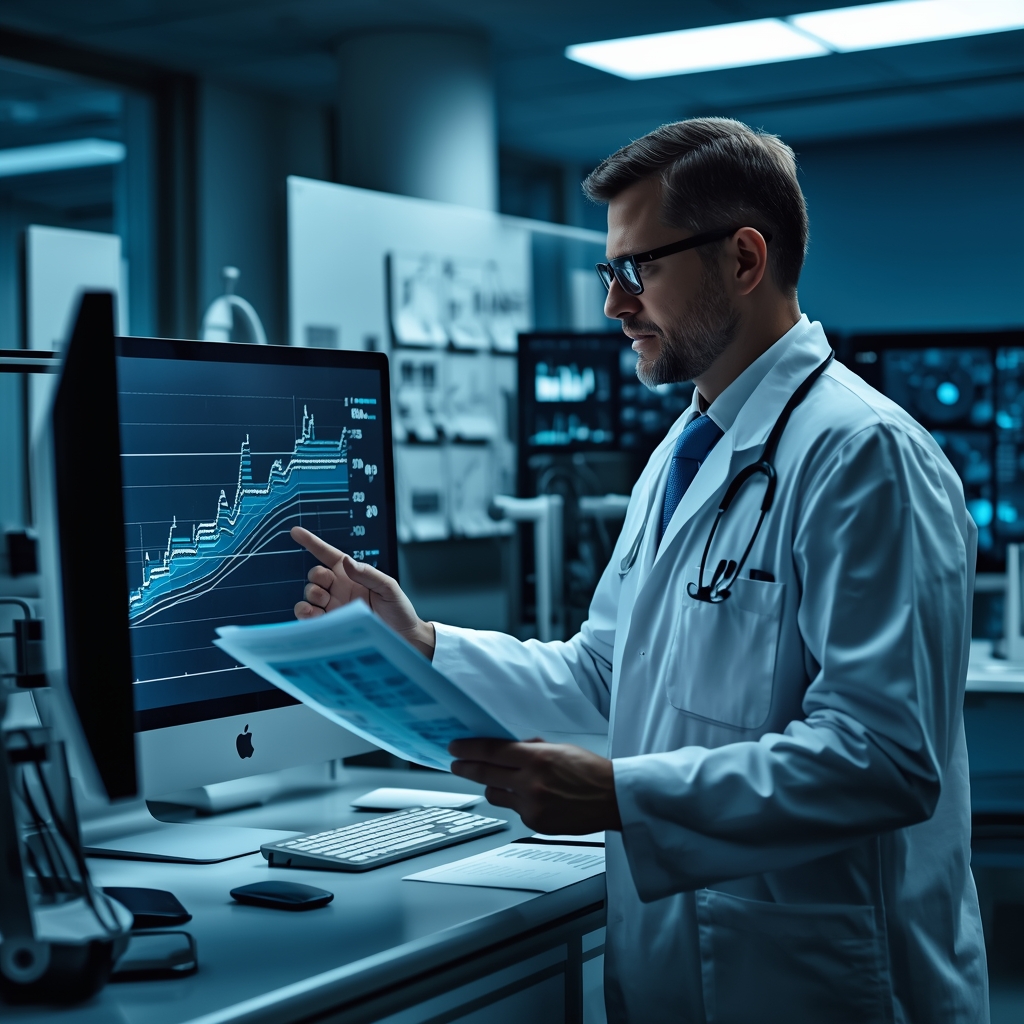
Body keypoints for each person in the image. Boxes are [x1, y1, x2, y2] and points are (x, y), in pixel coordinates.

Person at [291, 118, 988, 1023]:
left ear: (744, 259)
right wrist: (422, 643)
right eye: (610, 272)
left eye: (640, 269)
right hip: (681, 966)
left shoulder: (866, 457)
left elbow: (884, 760)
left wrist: (620, 795)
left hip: (827, 977)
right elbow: (605, 675)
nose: (614, 305)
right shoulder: (686, 449)